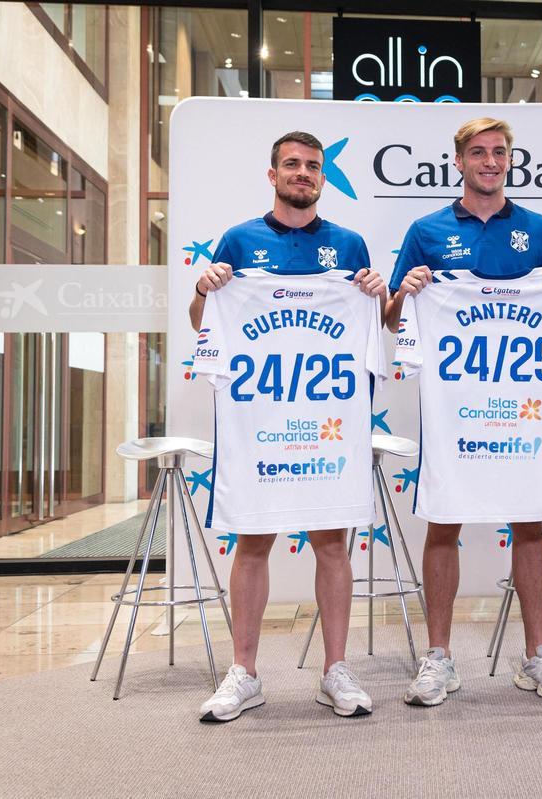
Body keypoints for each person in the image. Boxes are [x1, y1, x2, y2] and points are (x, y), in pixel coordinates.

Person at [383, 117, 542, 705]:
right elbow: (393, 320)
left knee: (531, 519)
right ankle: (439, 657)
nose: (491, 161)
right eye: (478, 152)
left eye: (500, 152)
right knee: (443, 519)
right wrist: (408, 292)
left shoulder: (540, 230)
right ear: (459, 161)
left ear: (510, 160)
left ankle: (538, 654)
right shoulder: (426, 230)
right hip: (457, 410)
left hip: (524, 408)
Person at [188, 131, 387, 721]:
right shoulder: (239, 240)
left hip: (325, 422)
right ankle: (244, 672)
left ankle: (335, 670)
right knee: (253, 540)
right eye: (292, 164)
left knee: (332, 542)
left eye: (313, 166)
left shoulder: (348, 244)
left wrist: (377, 294)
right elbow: (205, 324)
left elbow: (377, 326)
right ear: (272, 175)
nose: (304, 173)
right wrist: (202, 291)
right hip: (261, 423)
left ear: (322, 177)